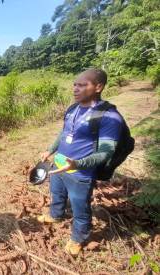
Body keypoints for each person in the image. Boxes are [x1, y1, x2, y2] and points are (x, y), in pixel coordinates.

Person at [38, 68, 123, 255]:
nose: (75, 89)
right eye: (75, 84)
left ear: (98, 86)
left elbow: (106, 152)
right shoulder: (73, 108)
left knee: (80, 206)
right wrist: (50, 150)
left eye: (82, 85)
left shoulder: (109, 117)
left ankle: (79, 237)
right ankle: (55, 215)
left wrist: (76, 164)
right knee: (57, 193)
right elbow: (65, 132)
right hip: (60, 164)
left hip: (81, 172)